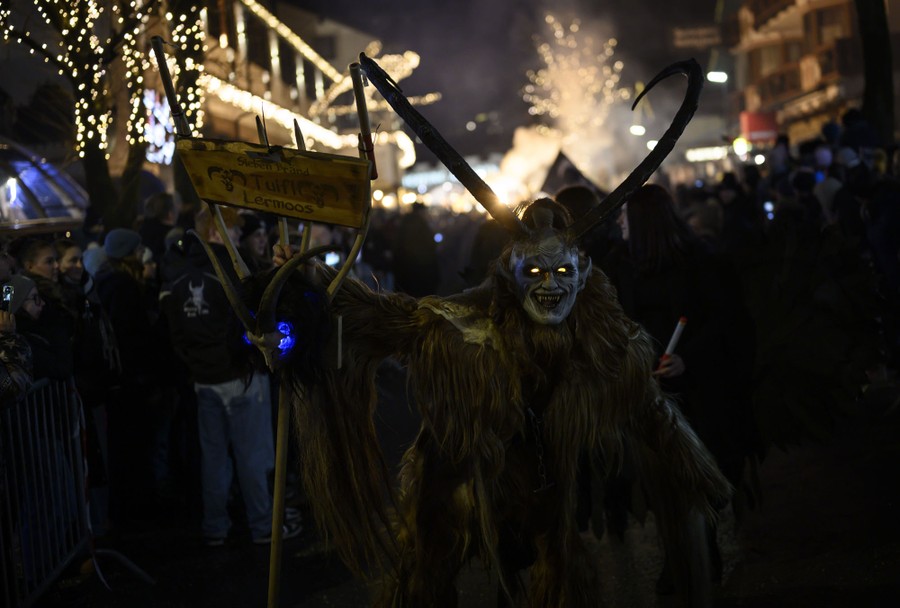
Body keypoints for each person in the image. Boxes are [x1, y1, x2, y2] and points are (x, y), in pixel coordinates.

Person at [600, 184, 758, 588]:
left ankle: (701, 553)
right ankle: (678, 556)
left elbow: (726, 321)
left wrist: (689, 358)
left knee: (697, 478)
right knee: (659, 481)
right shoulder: (621, 265)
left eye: (624, 217)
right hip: (648, 393)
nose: (619, 224)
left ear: (643, 220)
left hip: (699, 393)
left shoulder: (701, 263)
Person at [160, 206, 300, 546]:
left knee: (214, 460)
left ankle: (216, 527)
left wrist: (196, 365)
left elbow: (176, 334)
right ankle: (263, 525)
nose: (238, 237)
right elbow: (248, 326)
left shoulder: (180, 278)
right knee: (252, 457)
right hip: (241, 380)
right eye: (234, 231)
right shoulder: (232, 273)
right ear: (215, 232)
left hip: (204, 381)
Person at [392, 202, 440, 296]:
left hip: (405, 271)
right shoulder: (421, 225)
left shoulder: (405, 223)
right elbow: (428, 247)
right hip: (420, 271)